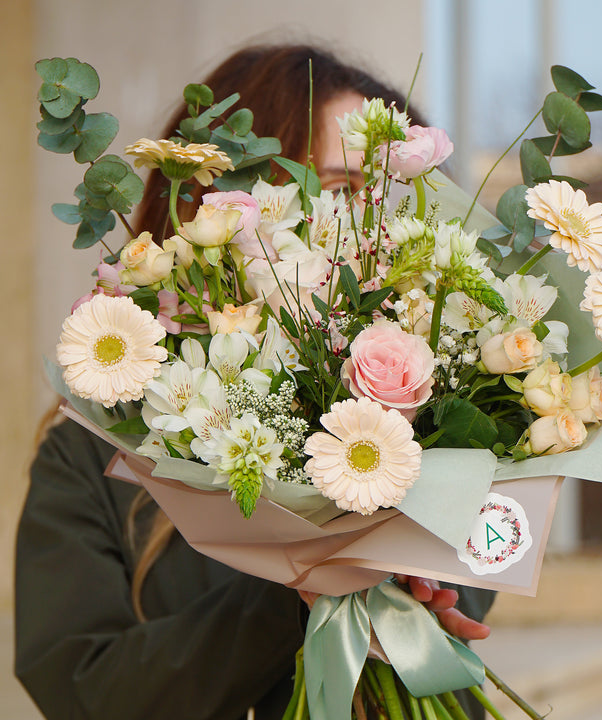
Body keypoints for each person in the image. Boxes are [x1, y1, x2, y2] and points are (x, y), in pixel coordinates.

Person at [15, 44, 496, 719]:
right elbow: (83, 689)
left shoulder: (427, 414)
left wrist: (402, 568)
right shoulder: (94, 451)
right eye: (336, 192)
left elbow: (460, 621)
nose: (368, 227)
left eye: (384, 195)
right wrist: (300, 585)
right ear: (216, 208)